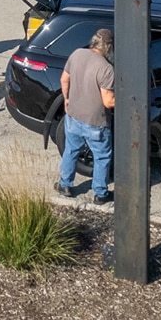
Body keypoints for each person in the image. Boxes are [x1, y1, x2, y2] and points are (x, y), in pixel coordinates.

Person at [57, 27, 116, 204]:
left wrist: (67, 99)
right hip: (96, 122)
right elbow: (108, 102)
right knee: (102, 157)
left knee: (71, 150)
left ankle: (65, 185)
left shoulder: (77, 54)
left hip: (73, 115)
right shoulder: (107, 69)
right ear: (109, 47)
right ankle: (100, 193)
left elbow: (64, 79)